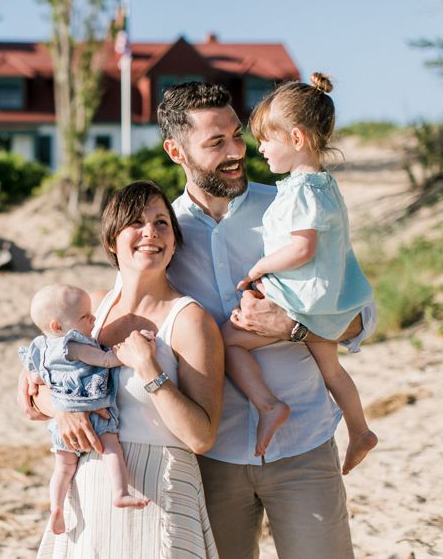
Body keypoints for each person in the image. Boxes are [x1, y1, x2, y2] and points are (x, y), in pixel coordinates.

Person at [156, 82, 375, 558]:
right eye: (216, 143)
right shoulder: (162, 235)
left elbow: (359, 317)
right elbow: (127, 315)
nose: (237, 152)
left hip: (305, 444)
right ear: (176, 151)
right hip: (208, 457)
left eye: (238, 135)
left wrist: (293, 327)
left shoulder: (291, 205)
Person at [22, 181, 224, 557]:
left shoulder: (190, 320)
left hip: (161, 488)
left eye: (162, 222)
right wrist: (62, 408)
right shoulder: (90, 311)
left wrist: (149, 370)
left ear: (175, 242)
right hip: (90, 487)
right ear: (112, 241)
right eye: (135, 222)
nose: (150, 232)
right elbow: (35, 396)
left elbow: (201, 437)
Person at [217, 73, 377, 473]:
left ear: (297, 139)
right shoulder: (323, 185)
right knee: (331, 370)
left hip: (302, 298)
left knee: (229, 341)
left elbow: (302, 248)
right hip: (323, 298)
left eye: (267, 140)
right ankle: (360, 431)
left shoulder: (302, 189)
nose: (260, 149)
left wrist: (260, 267)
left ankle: (269, 406)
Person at [20, 283, 150, 536]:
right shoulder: (75, 344)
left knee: (63, 467)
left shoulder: (40, 348)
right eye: (85, 316)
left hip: (61, 426)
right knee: (111, 449)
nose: (94, 318)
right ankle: (120, 492)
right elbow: (105, 360)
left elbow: (34, 379)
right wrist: (132, 351)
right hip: (94, 412)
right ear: (58, 326)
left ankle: (56, 507)